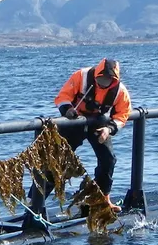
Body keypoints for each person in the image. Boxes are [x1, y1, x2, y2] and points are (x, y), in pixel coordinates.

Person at [54, 58, 131, 212]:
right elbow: (62, 97)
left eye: (108, 80)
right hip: (75, 121)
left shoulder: (120, 91)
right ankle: (36, 202)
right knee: (57, 159)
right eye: (100, 79)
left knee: (108, 160)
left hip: (99, 123)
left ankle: (102, 199)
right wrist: (68, 110)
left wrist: (109, 129)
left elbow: (123, 113)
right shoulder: (80, 76)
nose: (103, 82)